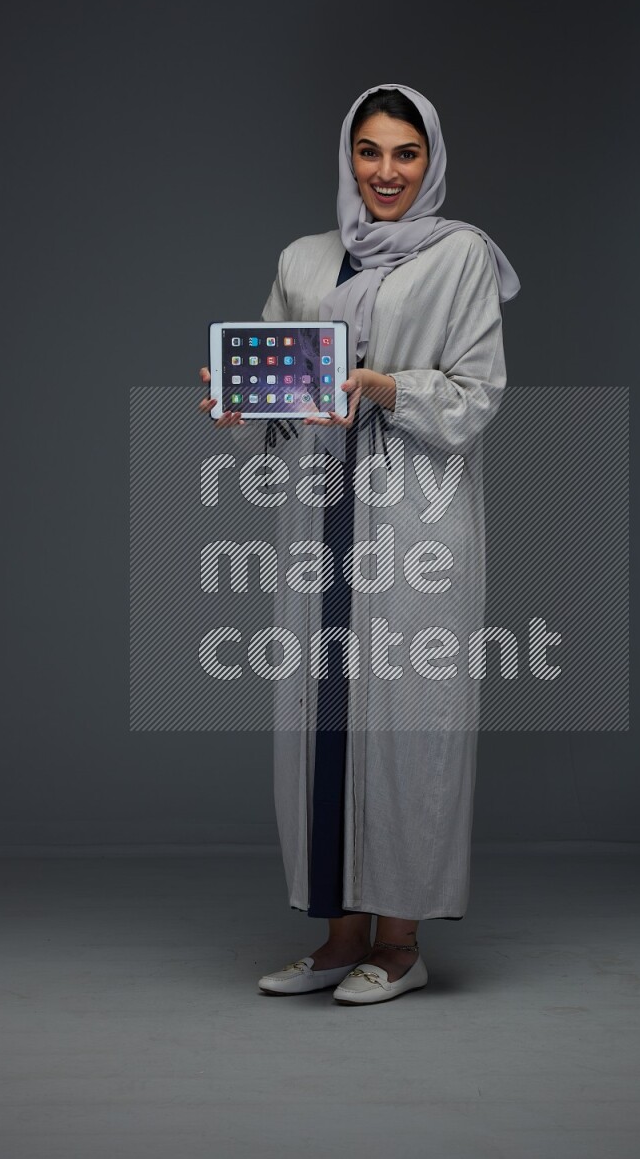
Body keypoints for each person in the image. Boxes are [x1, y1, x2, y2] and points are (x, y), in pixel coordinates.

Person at [199, 82, 520, 1005]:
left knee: (411, 721)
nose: (386, 172)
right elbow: (272, 388)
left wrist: (384, 387)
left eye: (406, 154)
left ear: (432, 162)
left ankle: (402, 941)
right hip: (320, 513)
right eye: (370, 151)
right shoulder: (304, 260)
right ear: (349, 157)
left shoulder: (461, 257)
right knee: (322, 718)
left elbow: (478, 395)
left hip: (416, 517)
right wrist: (233, 397)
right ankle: (341, 936)